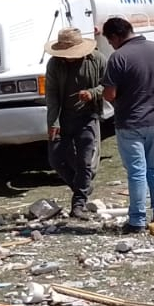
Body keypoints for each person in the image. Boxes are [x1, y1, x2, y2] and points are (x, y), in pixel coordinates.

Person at [101, 17, 154, 235]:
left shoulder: (118, 57)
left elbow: (109, 94)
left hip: (130, 122)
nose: (111, 45)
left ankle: (137, 220)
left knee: (137, 172)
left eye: (110, 41)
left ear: (115, 36)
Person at [44, 27, 105, 219]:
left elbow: (109, 85)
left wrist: (92, 93)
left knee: (85, 161)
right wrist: (53, 123)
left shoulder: (97, 60)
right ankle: (83, 188)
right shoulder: (54, 64)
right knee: (56, 159)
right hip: (63, 119)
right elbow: (52, 95)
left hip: (88, 117)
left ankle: (78, 205)